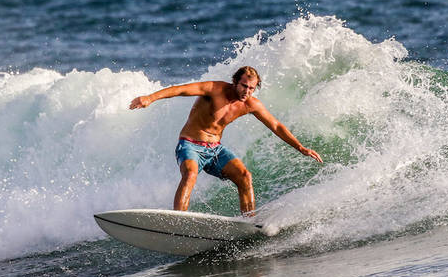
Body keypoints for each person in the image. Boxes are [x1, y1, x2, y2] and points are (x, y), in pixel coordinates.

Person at [129, 66, 322, 215]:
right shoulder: (214, 89)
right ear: (235, 82)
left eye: (252, 88)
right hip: (190, 144)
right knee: (190, 173)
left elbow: (276, 126)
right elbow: (181, 90)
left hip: (215, 149)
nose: (247, 91)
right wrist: (150, 97)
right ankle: (178, 219)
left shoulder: (250, 104)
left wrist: (300, 147)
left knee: (245, 176)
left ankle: (250, 222)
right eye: (244, 86)